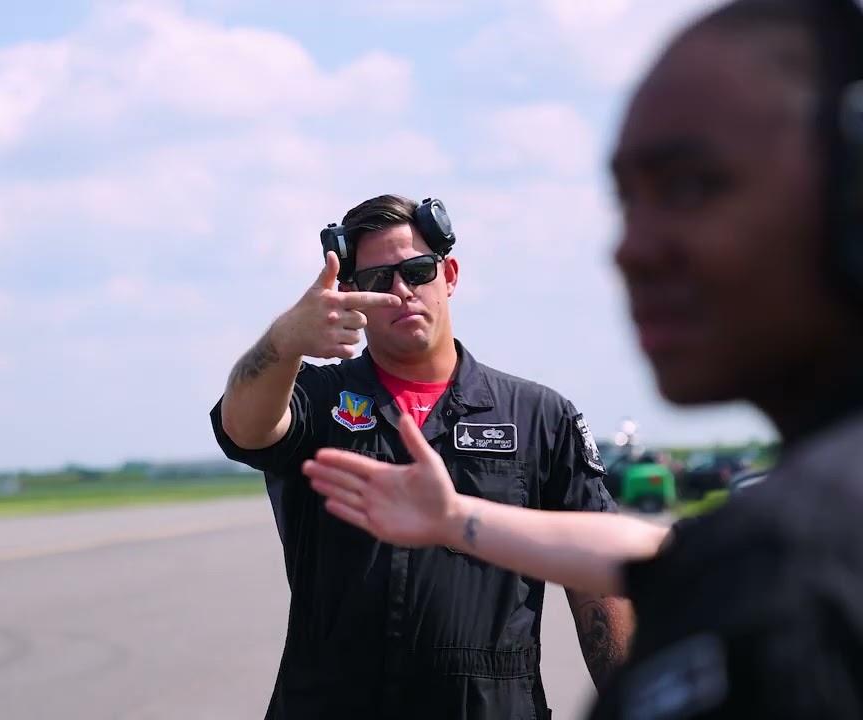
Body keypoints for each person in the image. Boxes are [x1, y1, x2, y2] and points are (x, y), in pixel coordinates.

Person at [302, 0, 863, 717]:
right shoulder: (770, 546)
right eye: (628, 202)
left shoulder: (805, 568)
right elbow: (655, 554)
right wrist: (455, 521)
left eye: (692, 187)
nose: (632, 250)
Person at [209, 193, 634, 719]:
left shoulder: (539, 416)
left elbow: (597, 575)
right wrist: (284, 340)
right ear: (349, 296)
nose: (401, 291)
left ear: (449, 275)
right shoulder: (318, 401)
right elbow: (244, 427)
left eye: (418, 270)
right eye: (376, 281)